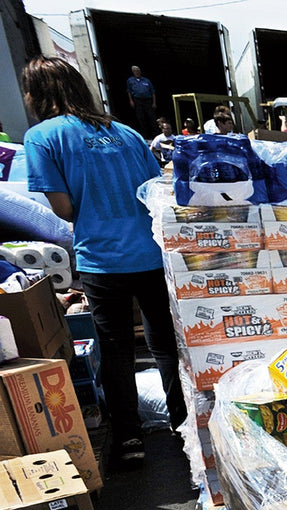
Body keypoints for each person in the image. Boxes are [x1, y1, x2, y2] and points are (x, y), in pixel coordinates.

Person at [22, 57, 186, 465]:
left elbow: (62, 207)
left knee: (115, 352)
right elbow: (155, 190)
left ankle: (130, 441)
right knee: (166, 345)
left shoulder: (42, 136)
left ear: (37, 94)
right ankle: (186, 427)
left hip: (102, 259)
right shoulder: (127, 133)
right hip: (152, 253)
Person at [125, 65, 156, 136]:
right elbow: (129, 91)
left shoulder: (146, 80)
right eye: (135, 71)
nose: (137, 72)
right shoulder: (130, 81)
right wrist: (131, 101)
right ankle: (145, 135)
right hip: (138, 101)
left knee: (151, 117)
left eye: (138, 70)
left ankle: (155, 134)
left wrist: (154, 103)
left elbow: (153, 92)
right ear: (133, 72)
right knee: (141, 118)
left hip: (148, 100)